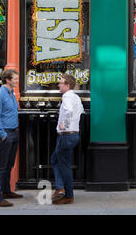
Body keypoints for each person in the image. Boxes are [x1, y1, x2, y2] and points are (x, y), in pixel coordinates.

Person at [0, 69, 22, 207]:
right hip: (5, 134)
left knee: (9, 165)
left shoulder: (11, 93)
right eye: (15, 78)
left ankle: (6, 191)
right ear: (8, 80)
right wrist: (3, 135)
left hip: (14, 132)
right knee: (0, 166)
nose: (17, 81)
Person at [51, 74, 84, 205]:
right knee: (55, 159)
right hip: (72, 135)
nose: (59, 85)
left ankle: (68, 195)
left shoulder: (67, 96)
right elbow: (80, 111)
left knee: (64, 165)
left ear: (67, 85)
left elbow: (69, 111)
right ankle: (60, 187)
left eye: (61, 83)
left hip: (66, 135)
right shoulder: (76, 97)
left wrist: (64, 124)